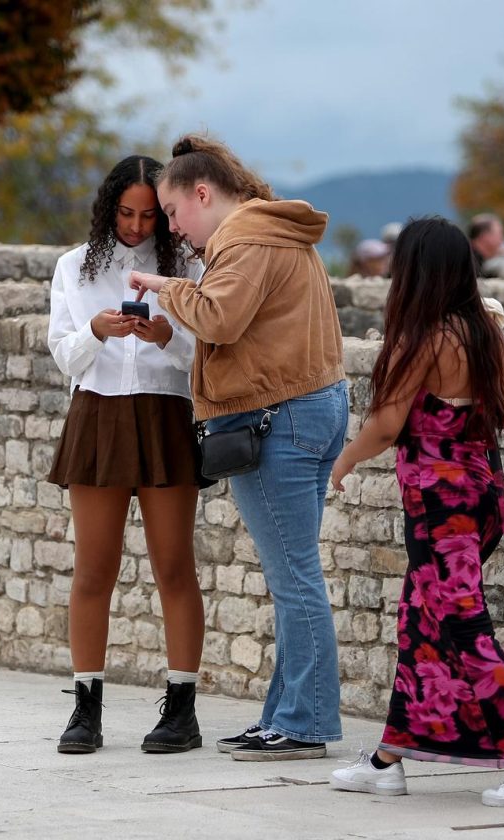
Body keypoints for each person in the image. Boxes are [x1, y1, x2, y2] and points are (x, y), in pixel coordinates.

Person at [326, 217, 504, 807]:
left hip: (440, 506)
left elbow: (387, 424)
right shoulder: (484, 330)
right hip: (480, 494)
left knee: (461, 623)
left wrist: (344, 461)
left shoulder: (422, 337)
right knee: (420, 622)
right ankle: (388, 759)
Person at [128, 134, 349, 761]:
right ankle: (286, 714)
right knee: (294, 575)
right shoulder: (273, 231)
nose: (172, 225)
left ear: (203, 193)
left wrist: (164, 285)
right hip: (311, 407)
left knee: (294, 578)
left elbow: (220, 318)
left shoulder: (246, 240)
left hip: (276, 419)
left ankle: (303, 724)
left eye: (173, 212)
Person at [46, 155, 207, 756]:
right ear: (108, 206)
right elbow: (64, 355)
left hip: (165, 416)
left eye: (149, 215)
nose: (137, 226)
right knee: (93, 570)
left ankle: (181, 711)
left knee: (174, 567)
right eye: (126, 213)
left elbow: (205, 356)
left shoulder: (189, 264)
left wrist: (165, 335)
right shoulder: (73, 267)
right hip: (98, 414)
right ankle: (86, 710)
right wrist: (98, 331)